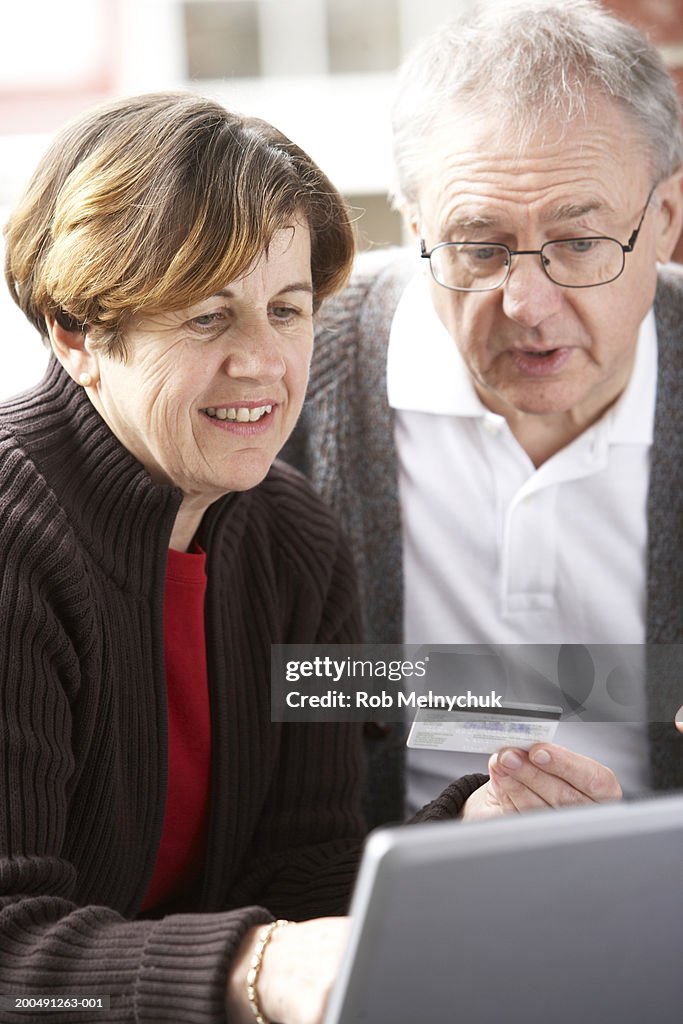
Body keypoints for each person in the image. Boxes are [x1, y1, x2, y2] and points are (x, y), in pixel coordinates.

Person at [1, 90, 501, 1024]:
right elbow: (12, 959)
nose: (264, 362)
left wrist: (466, 839)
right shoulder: (13, 540)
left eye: (286, 308)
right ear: (75, 332)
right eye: (205, 317)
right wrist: (254, 965)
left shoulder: (290, 535)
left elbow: (298, 877)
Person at [285, 0, 683, 819]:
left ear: (664, 222)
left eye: (579, 243)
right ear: (414, 225)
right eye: (478, 246)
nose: (527, 304)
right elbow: (273, 699)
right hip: (370, 896)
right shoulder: (278, 382)